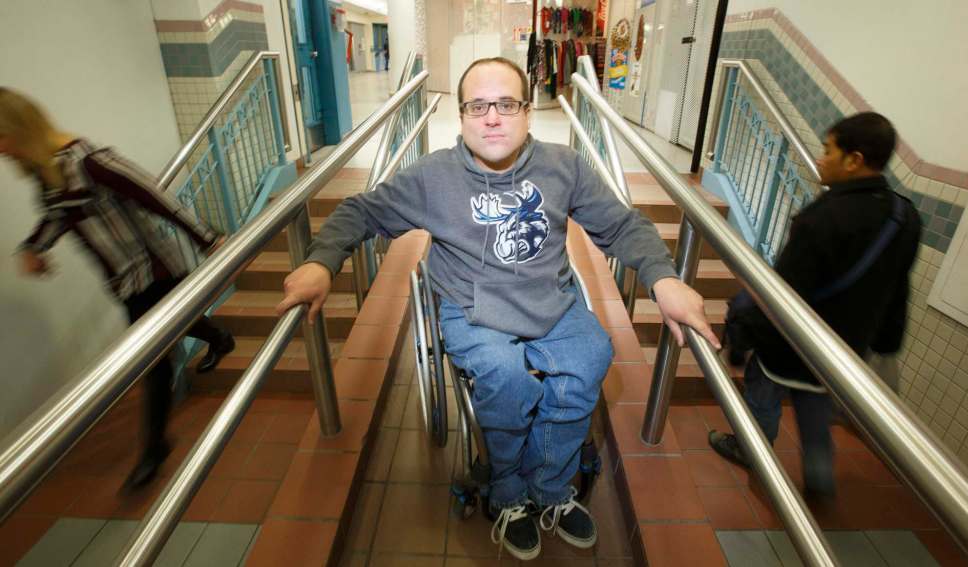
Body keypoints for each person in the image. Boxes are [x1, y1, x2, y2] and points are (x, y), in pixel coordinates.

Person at [277, 57, 719, 560]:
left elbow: (621, 226)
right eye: (478, 106)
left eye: (506, 105)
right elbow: (362, 211)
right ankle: (507, 490)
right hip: (472, 306)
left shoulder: (563, 166)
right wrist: (322, 263)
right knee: (505, 375)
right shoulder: (433, 177)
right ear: (461, 116)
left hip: (548, 298)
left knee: (592, 355)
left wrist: (664, 278)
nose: (492, 117)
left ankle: (551, 486)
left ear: (528, 114)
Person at [0, 88, 236, 490]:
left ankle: (154, 447)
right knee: (173, 328)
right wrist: (33, 247)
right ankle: (219, 338)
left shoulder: (90, 161)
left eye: (3, 138)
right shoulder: (47, 174)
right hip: (124, 280)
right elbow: (58, 217)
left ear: (20, 131)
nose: (3, 150)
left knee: (152, 359)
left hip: (157, 270)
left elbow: (153, 195)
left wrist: (207, 238)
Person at [709, 112, 921, 498]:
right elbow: (898, 286)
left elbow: (780, 295)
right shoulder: (903, 216)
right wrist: (887, 343)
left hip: (789, 345)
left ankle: (752, 451)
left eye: (828, 150)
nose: (820, 158)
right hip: (843, 349)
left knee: (762, 396)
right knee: (815, 410)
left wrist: (741, 340)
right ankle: (820, 480)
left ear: (854, 159)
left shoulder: (821, 219)